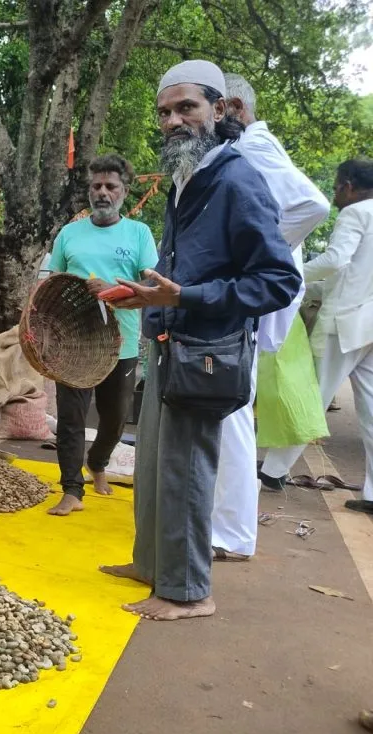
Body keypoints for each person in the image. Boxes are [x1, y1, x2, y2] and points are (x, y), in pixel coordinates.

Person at [100, 60, 300, 620]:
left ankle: (188, 592)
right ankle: (150, 563)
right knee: (153, 465)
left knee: (187, 470)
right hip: (169, 341)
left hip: (206, 353)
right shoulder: (185, 177)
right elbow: (177, 269)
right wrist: (138, 293)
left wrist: (185, 299)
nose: (173, 120)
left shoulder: (237, 178)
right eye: (165, 111)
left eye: (186, 107)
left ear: (220, 110)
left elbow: (277, 281)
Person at [207, 74, 330, 559]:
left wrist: (257, 257)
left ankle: (232, 533)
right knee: (230, 404)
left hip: (255, 297)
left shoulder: (253, 145)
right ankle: (226, 524)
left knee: (232, 405)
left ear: (231, 106)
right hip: (257, 295)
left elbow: (311, 205)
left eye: (210, 108)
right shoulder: (246, 148)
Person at [44, 154, 158, 516]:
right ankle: (72, 489)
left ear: (124, 191)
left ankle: (98, 461)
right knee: (71, 417)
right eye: (96, 186)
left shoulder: (138, 233)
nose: (102, 193)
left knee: (114, 418)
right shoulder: (69, 233)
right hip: (74, 343)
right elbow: (50, 285)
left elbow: (151, 285)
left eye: (110, 186)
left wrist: (114, 290)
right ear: (88, 190)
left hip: (121, 342)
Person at [260, 158, 373, 509]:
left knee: (310, 398)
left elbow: (337, 260)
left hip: (344, 324)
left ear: (349, 186)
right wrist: (307, 290)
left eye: (338, 186)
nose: (335, 193)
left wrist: (289, 275)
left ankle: (274, 471)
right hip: (368, 323)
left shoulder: (355, 214)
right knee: (371, 411)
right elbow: (352, 274)